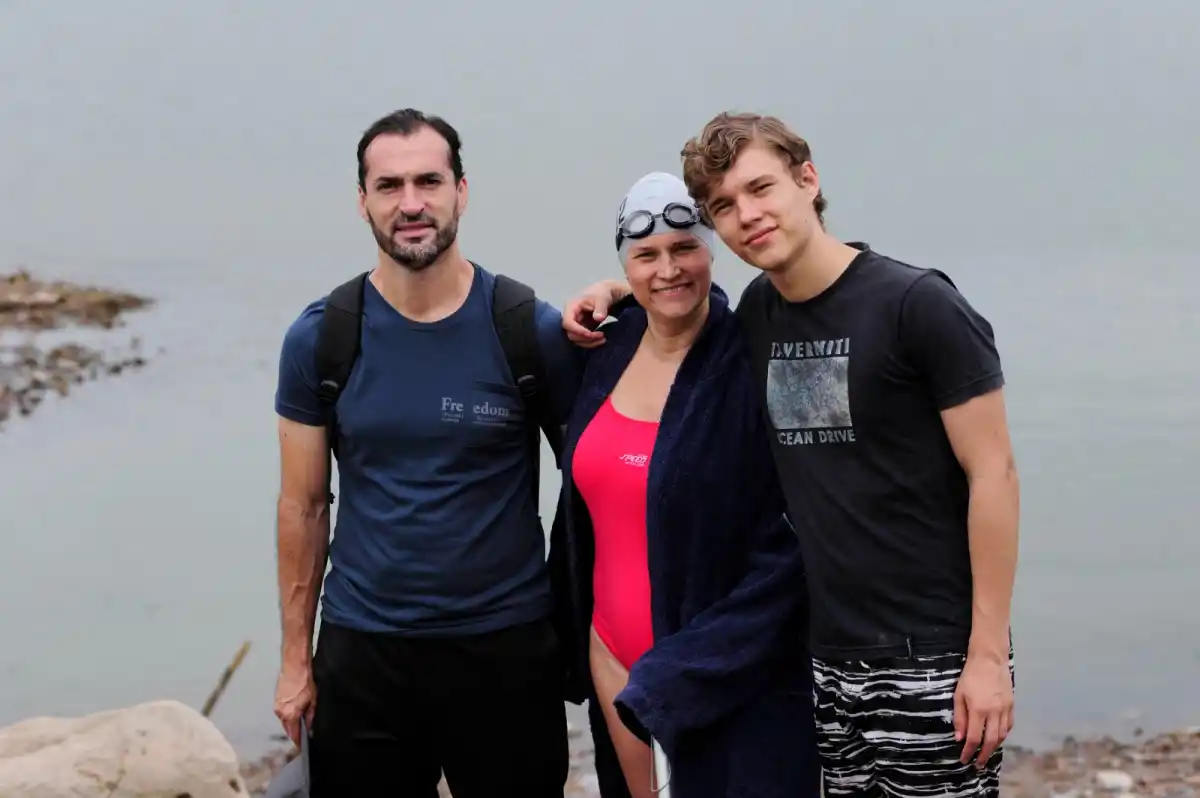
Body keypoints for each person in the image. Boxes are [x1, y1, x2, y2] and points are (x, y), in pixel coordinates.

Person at [562, 113, 1020, 797]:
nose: (747, 215)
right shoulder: (760, 316)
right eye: (724, 206)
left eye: (760, 188)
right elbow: (684, 298)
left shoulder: (915, 306)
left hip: (931, 659)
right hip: (827, 664)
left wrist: (987, 657)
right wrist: (620, 288)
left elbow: (995, 476)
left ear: (807, 179)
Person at [272, 107, 581, 797]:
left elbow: (594, 480)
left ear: (461, 192)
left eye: (428, 182)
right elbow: (303, 504)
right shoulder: (321, 340)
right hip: (364, 652)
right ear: (363, 202)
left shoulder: (528, 332)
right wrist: (297, 658)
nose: (411, 204)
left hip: (507, 651)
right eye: (389, 186)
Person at [550, 171, 821, 798]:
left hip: (724, 674)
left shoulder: (755, 357)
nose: (667, 269)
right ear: (625, 263)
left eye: (684, 247)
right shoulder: (605, 350)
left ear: (713, 249)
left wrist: (686, 670)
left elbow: (796, 545)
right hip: (612, 661)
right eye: (645, 255)